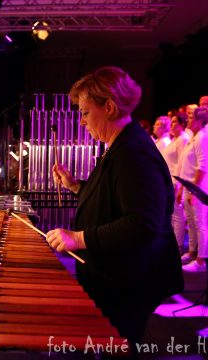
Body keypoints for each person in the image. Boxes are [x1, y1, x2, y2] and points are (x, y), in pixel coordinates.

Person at [46, 67, 183, 352]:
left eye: (84, 112)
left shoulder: (133, 153)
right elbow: (113, 200)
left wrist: (79, 238)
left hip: (130, 280)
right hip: (120, 274)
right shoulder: (120, 145)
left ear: (108, 107)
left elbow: (142, 222)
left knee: (117, 348)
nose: (81, 121)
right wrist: (74, 186)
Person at [178, 106, 208, 272]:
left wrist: (195, 191)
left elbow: (202, 166)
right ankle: (192, 253)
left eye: (191, 117)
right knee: (192, 222)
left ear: (200, 121)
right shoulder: (194, 138)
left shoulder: (202, 138)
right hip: (190, 185)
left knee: (201, 223)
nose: (187, 120)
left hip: (198, 187)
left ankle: (201, 262)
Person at [161, 112, 190, 253]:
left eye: (174, 122)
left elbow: (181, 163)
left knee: (178, 215)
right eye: (171, 122)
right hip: (169, 180)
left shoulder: (183, 139)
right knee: (172, 214)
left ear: (182, 124)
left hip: (175, 181)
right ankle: (172, 243)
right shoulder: (175, 140)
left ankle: (178, 246)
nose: (171, 125)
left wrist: (178, 185)